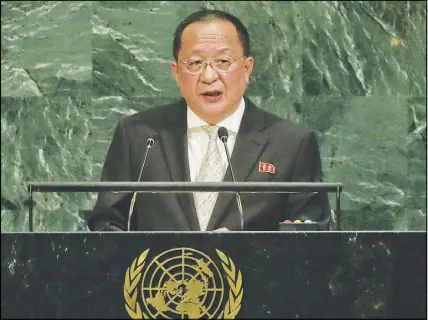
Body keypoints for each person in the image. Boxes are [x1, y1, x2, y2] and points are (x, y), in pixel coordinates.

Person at [88, 9, 331, 232]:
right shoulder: (138, 136)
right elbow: (106, 224)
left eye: (223, 62)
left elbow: (312, 231)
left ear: (247, 68)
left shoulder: (291, 143)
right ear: (176, 72)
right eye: (195, 63)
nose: (208, 76)